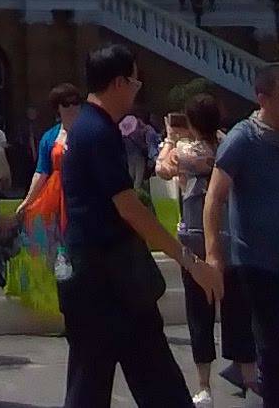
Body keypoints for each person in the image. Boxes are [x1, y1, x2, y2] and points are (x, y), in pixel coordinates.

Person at [59, 43, 215, 408]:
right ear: (117, 83)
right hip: (107, 279)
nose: (136, 88)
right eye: (134, 81)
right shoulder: (97, 133)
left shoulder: (91, 128)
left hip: (103, 277)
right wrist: (190, 262)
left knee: (133, 377)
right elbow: (129, 207)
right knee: (112, 380)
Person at [207, 63, 279, 408]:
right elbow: (214, 197)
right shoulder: (243, 139)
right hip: (258, 264)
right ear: (263, 99)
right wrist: (214, 253)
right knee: (273, 349)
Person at [159, 96, 246, 406]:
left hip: (195, 239)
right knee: (237, 309)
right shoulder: (229, 145)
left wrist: (170, 139)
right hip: (230, 235)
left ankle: (204, 386)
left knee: (200, 314)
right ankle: (249, 376)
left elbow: (162, 169)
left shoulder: (189, 152)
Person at [35, 86, 81, 178]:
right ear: (57, 108)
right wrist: (30, 193)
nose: (71, 107)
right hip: (56, 188)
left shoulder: (92, 131)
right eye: (65, 104)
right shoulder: (49, 137)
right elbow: (41, 172)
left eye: (75, 103)